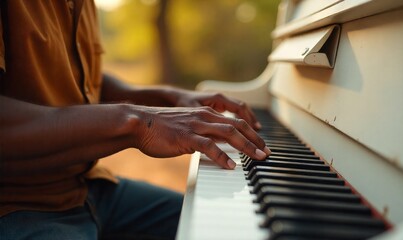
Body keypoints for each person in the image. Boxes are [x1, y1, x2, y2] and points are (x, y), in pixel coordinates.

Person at [0, 1, 270, 239]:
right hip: (18, 202)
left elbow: (79, 83)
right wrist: (137, 123)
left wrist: (166, 97)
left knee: (225, 227)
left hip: (89, 185)